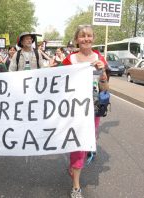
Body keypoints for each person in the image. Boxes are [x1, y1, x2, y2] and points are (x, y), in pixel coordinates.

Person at [62, 25, 109, 198]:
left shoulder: (99, 57)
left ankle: (74, 166)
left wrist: (102, 72)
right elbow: (58, 83)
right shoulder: (70, 59)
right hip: (74, 109)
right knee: (79, 143)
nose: (86, 39)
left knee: (89, 140)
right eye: (82, 36)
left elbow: (105, 84)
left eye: (89, 36)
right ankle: (76, 186)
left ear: (93, 38)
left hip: (94, 107)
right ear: (77, 40)